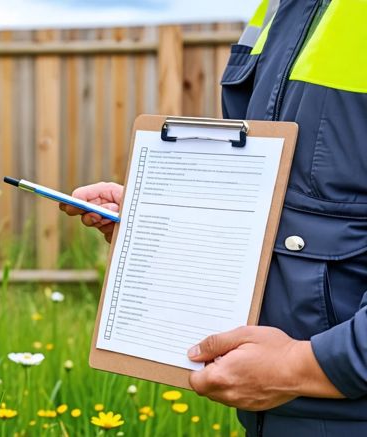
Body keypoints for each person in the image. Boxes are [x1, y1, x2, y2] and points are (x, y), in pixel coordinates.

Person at [60, 0, 367, 435]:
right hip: (280, 413)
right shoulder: (283, 9)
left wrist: (300, 367)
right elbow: (288, 197)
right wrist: (167, 224)